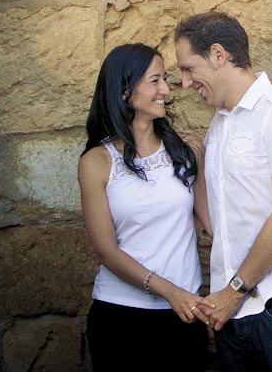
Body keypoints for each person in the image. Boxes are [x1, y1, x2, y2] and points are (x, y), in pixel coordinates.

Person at [174, 12, 272, 372]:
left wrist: (233, 291)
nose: (184, 83)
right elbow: (222, 223)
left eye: (188, 68)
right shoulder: (218, 127)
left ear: (217, 55)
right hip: (234, 316)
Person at [78, 43, 216, 372]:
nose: (166, 90)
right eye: (155, 81)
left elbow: (211, 224)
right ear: (124, 91)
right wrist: (170, 291)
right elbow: (106, 251)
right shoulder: (96, 163)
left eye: (165, 79)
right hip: (120, 319)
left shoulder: (188, 152)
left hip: (184, 316)